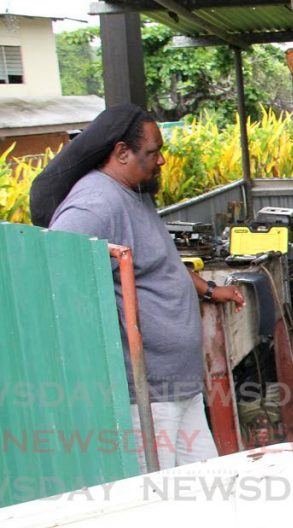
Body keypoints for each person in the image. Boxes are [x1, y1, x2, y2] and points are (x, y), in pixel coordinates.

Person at [34, 104, 245, 472]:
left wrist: (209, 289)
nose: (161, 161)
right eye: (153, 152)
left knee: (205, 492)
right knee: (159, 500)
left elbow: (159, 264)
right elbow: (56, 280)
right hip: (146, 397)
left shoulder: (133, 194)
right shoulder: (95, 205)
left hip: (178, 386)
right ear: (121, 153)